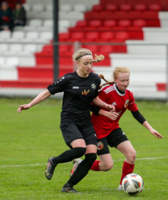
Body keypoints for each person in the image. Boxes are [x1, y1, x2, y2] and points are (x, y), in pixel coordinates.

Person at [17, 48, 115, 193]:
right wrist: (30, 104)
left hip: (85, 121)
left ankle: (68, 186)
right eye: (86, 63)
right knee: (80, 149)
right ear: (78, 63)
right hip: (69, 120)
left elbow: (93, 98)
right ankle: (54, 161)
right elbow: (47, 92)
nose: (89, 66)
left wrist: (105, 105)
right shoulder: (68, 79)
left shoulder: (94, 78)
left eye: (90, 64)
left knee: (91, 156)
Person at [70, 66, 163, 190]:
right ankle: (81, 164)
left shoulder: (129, 95)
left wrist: (150, 129)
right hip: (98, 132)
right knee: (107, 165)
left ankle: (123, 185)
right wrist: (105, 113)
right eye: (122, 81)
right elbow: (90, 106)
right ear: (115, 80)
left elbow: (136, 113)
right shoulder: (107, 92)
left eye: (127, 80)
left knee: (131, 154)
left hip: (113, 129)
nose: (125, 83)